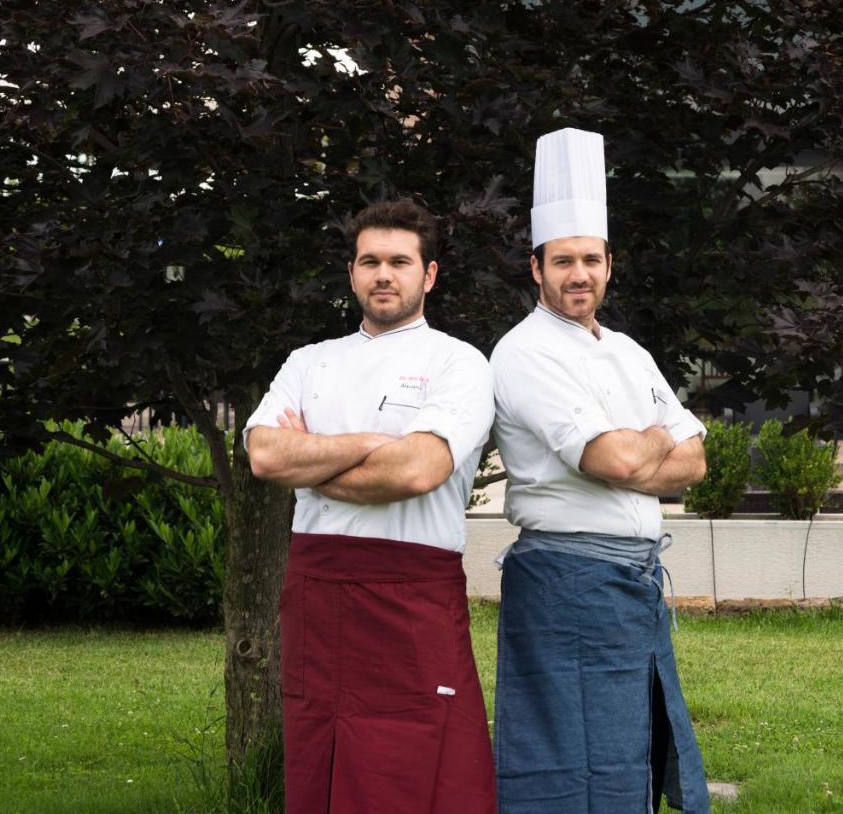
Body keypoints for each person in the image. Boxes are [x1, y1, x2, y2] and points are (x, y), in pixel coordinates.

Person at [244, 200, 496, 814]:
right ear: (353, 273)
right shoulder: (309, 361)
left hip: (412, 594)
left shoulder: (458, 362)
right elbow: (265, 457)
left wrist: (314, 464)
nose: (384, 274)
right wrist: (366, 446)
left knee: (420, 758)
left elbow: (417, 470)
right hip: (317, 589)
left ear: (428, 275)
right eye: (370, 262)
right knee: (319, 749)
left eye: (400, 262)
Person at [491, 128, 712, 813]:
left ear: (610, 264)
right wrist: (653, 436)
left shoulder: (626, 351)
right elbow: (615, 458)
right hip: (566, 582)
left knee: (628, 752)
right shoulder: (524, 353)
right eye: (562, 261)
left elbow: (695, 462)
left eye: (590, 259)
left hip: (632, 583)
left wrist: (633, 452)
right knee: (566, 758)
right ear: (536, 268)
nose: (578, 274)